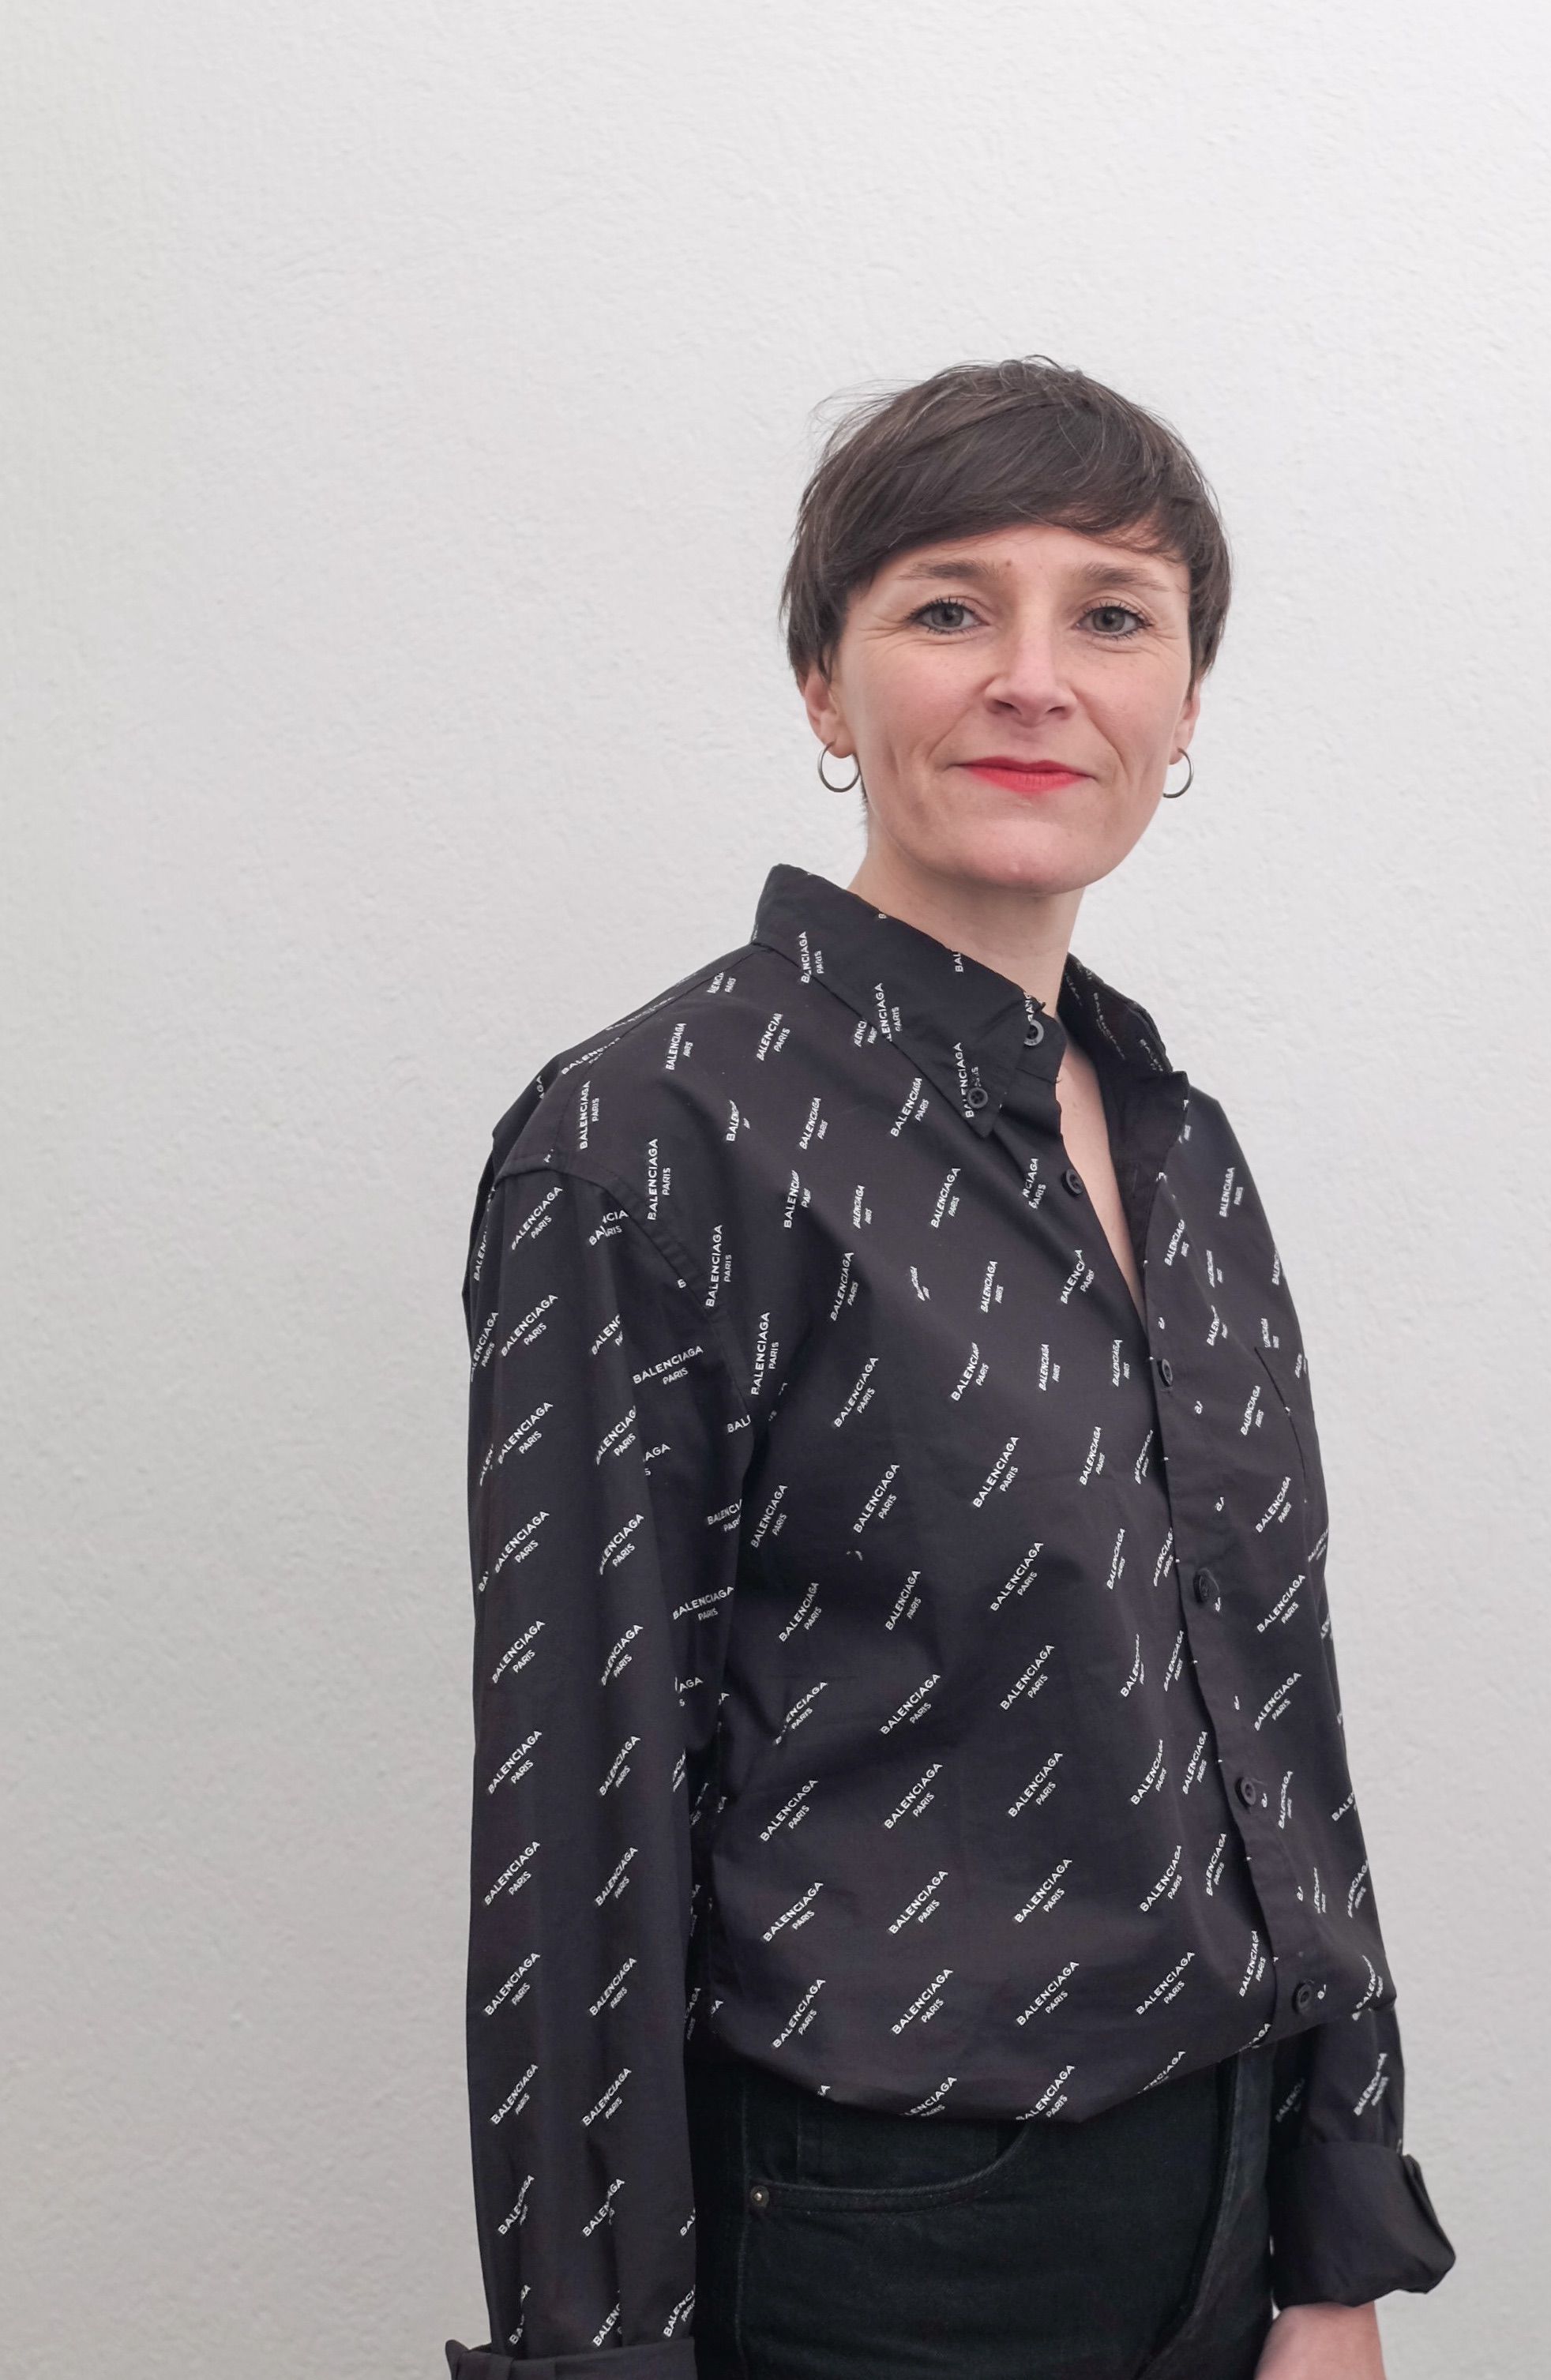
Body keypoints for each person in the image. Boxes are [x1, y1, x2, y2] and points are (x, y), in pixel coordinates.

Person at [445, 357, 1456, 2380]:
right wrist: (593, 2354)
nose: (1034, 679)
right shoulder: (655, 1133)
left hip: (1222, 2198)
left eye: (1113, 615)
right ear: (824, 688)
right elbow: (579, 1812)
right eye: (946, 607)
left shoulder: (1172, 1136)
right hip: (883, 2242)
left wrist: (1329, 2250)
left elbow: (1278, 1713)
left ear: (1185, 705)